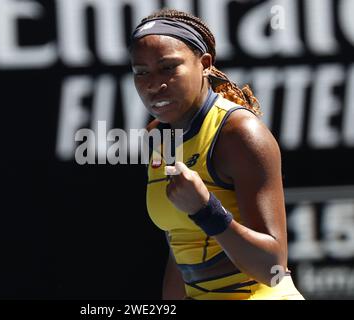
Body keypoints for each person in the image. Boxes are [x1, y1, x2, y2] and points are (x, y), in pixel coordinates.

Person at [129, 8, 304, 300]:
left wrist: (205, 209)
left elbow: (272, 268)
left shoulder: (240, 134)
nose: (154, 84)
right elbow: (179, 249)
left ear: (205, 64)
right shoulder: (157, 136)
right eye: (141, 72)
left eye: (169, 68)